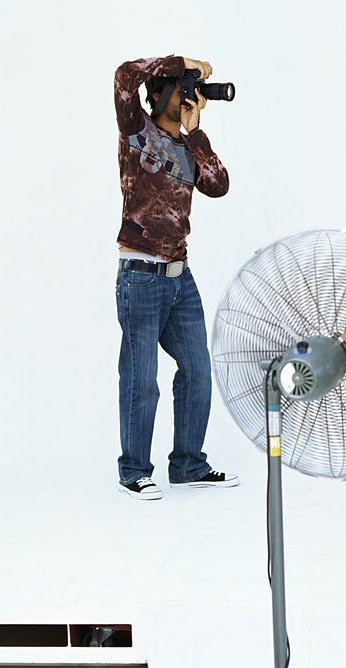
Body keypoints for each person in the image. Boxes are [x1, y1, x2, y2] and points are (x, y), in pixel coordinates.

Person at [113, 54, 239, 500]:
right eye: (180, 89)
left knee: (197, 370)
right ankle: (134, 471)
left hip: (180, 276)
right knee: (141, 377)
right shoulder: (135, 132)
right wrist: (182, 61)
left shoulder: (188, 146)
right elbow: (126, 74)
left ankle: (188, 465)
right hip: (141, 274)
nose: (187, 97)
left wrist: (196, 131)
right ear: (160, 93)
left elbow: (218, 184)